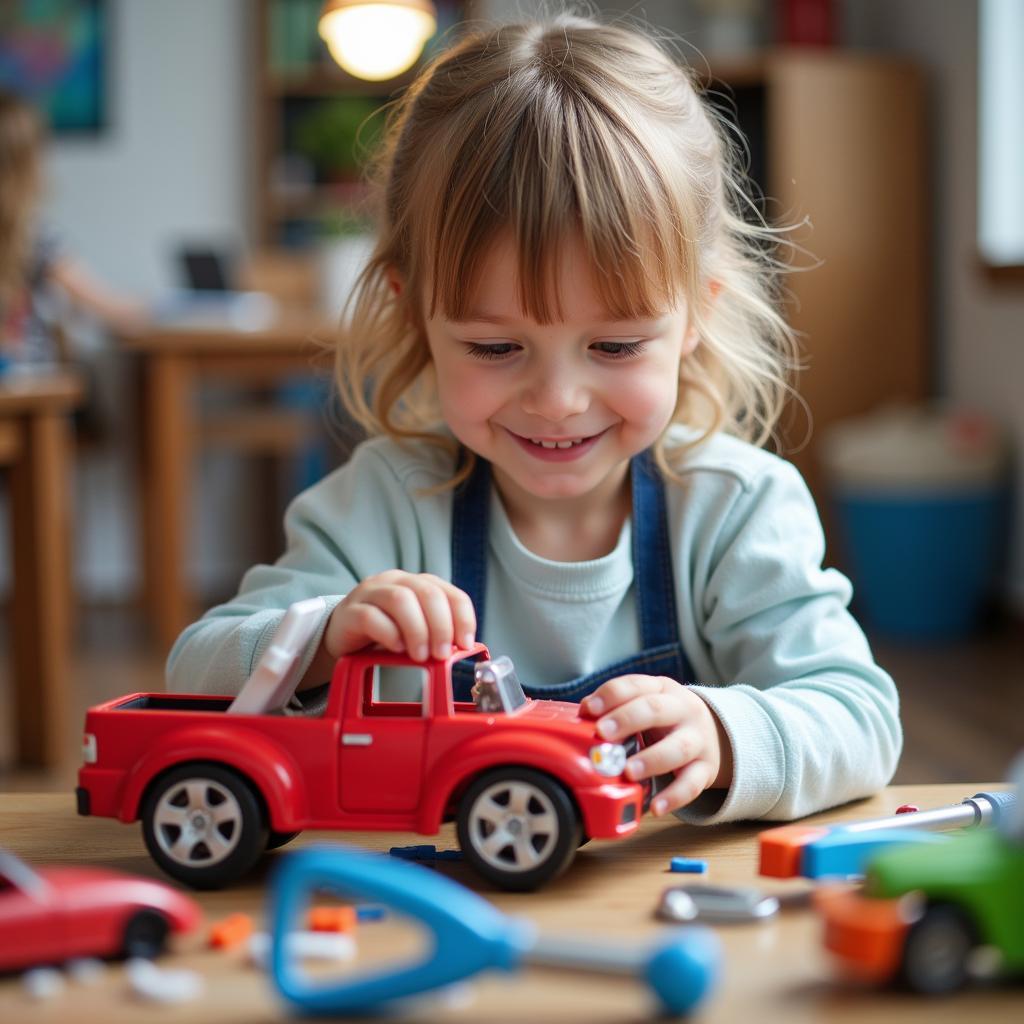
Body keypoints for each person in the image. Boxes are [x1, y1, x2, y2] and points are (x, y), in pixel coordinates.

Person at [168, 15, 901, 824]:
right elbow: (194, 670)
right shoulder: (383, 502)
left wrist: (727, 733)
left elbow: (861, 718)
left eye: (616, 345)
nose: (557, 400)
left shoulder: (737, 507)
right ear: (417, 320)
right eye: (495, 347)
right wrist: (322, 637)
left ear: (696, 315)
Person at [0, 89, 148, 367]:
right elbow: (110, 308)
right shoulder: (37, 236)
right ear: (29, 165)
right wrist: (159, 309)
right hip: (29, 390)